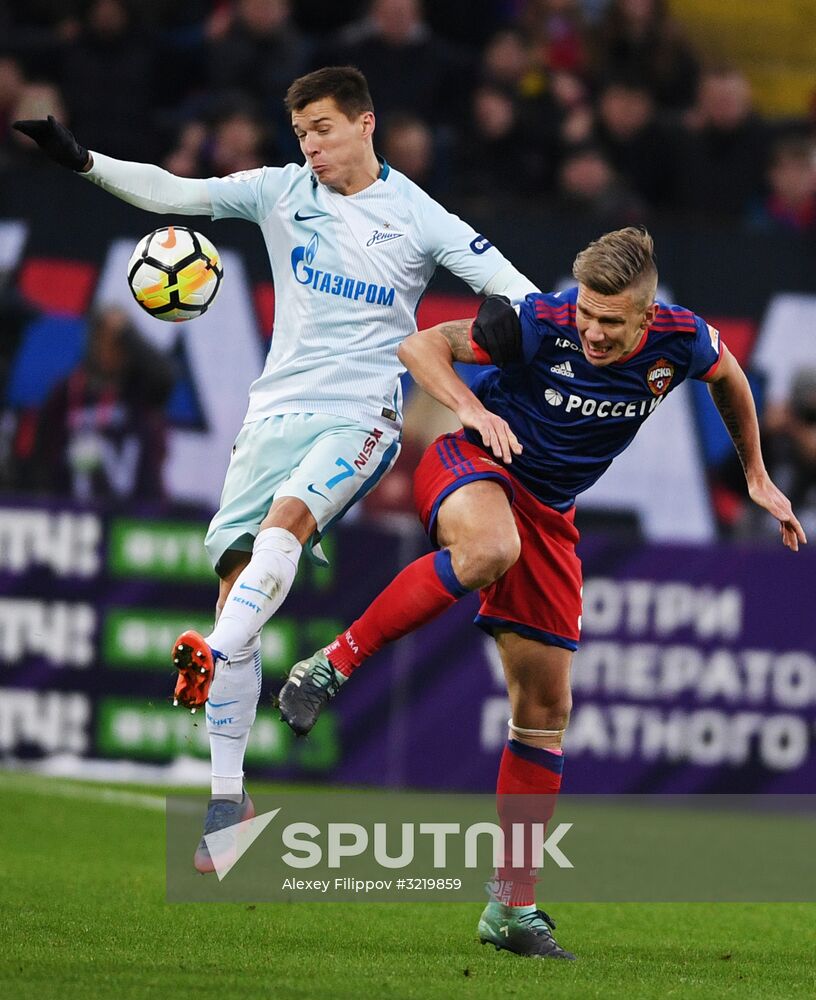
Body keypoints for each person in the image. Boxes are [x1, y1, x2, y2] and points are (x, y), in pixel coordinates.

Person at [14, 65, 538, 870]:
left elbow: (521, 295)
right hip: (271, 415)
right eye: (301, 133)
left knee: (286, 525)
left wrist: (499, 332)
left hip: (361, 414)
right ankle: (228, 796)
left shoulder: (420, 218)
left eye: (323, 129)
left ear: (366, 123)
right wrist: (84, 161)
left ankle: (216, 650)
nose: (312, 147)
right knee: (239, 580)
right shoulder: (279, 191)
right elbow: (175, 195)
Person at [277, 227, 806, 959]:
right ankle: (331, 662)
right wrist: (468, 406)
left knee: (544, 713)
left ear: (648, 316)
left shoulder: (683, 342)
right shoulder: (538, 322)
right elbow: (421, 347)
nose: (591, 329)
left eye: (610, 321)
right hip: (474, 465)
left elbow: (731, 379)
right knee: (491, 548)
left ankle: (510, 908)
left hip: (550, 513)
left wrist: (755, 475)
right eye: (587, 311)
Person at [29, 305, 174, 501]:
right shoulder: (67, 392)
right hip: (73, 512)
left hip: (136, 513)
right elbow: (41, 454)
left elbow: (165, 376)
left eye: (117, 343)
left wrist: (128, 334)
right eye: (103, 340)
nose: (109, 349)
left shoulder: (141, 390)